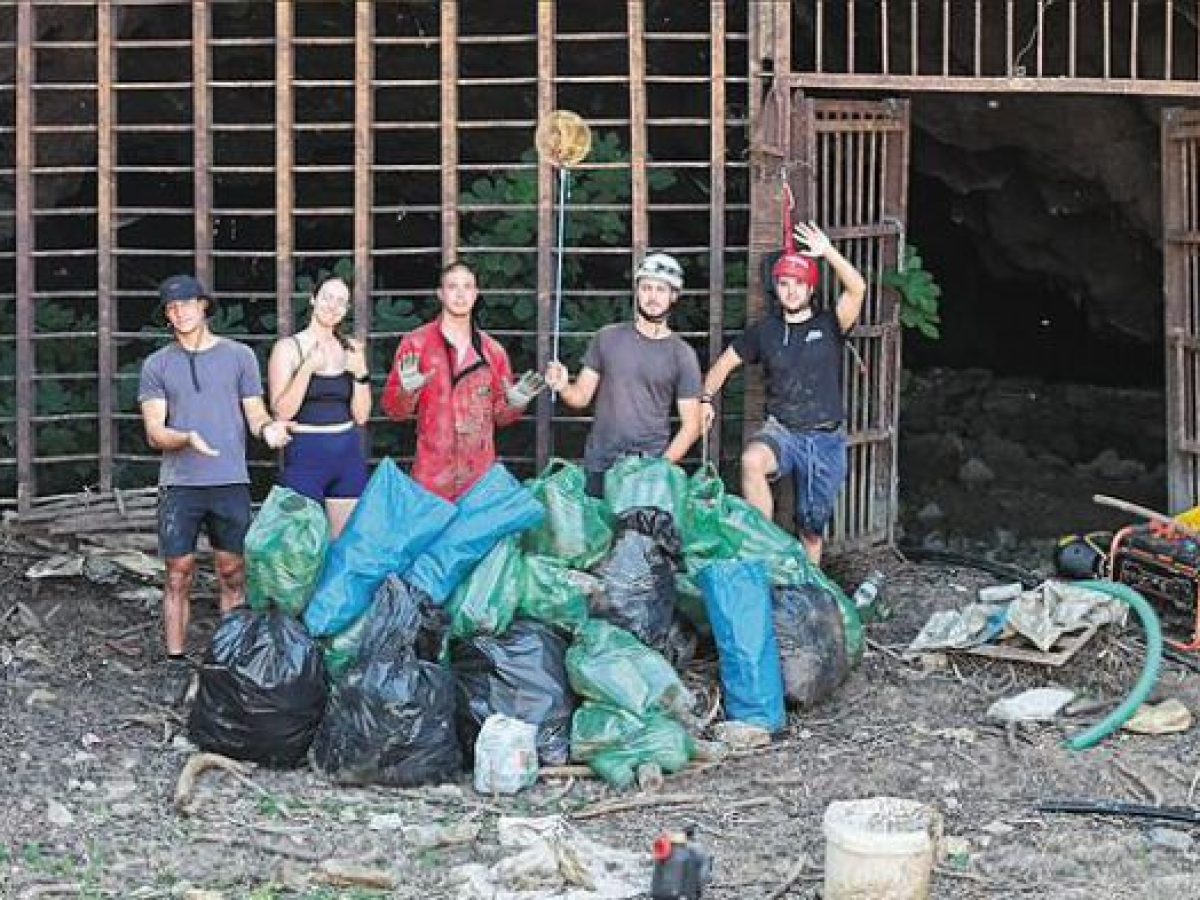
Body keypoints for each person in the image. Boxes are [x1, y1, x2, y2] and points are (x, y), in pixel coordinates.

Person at [138, 274, 292, 680]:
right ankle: (174, 661)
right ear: (167, 316)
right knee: (177, 573)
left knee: (232, 572)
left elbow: (255, 412)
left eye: (187, 304)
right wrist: (185, 436)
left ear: (204, 306)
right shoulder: (157, 365)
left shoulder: (239, 356)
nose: (180, 313)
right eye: (171, 308)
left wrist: (269, 430)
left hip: (229, 480)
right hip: (179, 484)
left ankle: (229, 657)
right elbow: (155, 432)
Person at [701, 220, 866, 565]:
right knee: (751, 461)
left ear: (811, 289)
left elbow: (858, 289)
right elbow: (723, 365)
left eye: (799, 284)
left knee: (811, 529)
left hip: (825, 438)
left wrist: (828, 252)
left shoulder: (829, 324)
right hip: (783, 430)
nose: (791, 291)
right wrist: (705, 399)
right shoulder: (765, 332)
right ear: (776, 288)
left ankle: (805, 591)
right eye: (784, 283)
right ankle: (764, 549)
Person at [381, 261, 545, 501]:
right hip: (431, 477)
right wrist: (406, 392)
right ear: (440, 294)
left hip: (479, 478)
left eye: (467, 287)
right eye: (452, 287)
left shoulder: (493, 351)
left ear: (476, 294)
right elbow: (394, 412)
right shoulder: (416, 344)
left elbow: (501, 417)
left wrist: (516, 403)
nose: (460, 294)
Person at [545, 251, 703, 497]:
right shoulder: (606, 337)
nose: (652, 296)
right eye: (646, 287)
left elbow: (692, 425)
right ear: (637, 291)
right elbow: (581, 398)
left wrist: (660, 468)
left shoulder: (682, 354)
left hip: (648, 468)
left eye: (661, 290)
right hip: (600, 464)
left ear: (674, 296)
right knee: (597, 535)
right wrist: (564, 385)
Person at [266, 276, 371, 538]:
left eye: (340, 301)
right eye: (327, 297)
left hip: (347, 454)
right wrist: (307, 369)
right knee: (304, 548)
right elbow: (281, 412)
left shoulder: (352, 349)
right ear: (313, 299)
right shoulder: (288, 348)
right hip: (306, 456)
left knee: (343, 546)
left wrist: (360, 373)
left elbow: (362, 415)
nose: (332, 306)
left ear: (346, 309)